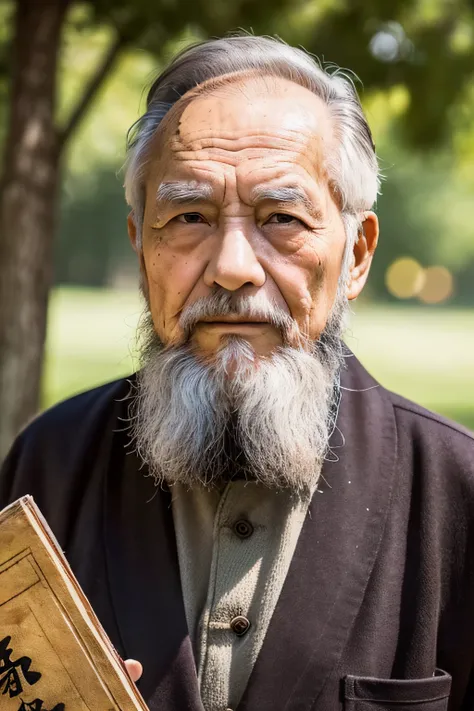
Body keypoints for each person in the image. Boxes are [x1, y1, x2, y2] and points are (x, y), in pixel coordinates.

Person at [1, 34, 474, 711]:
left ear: (358, 255)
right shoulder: (51, 462)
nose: (231, 266)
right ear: (141, 248)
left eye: (281, 218)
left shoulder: (456, 494)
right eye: (188, 216)